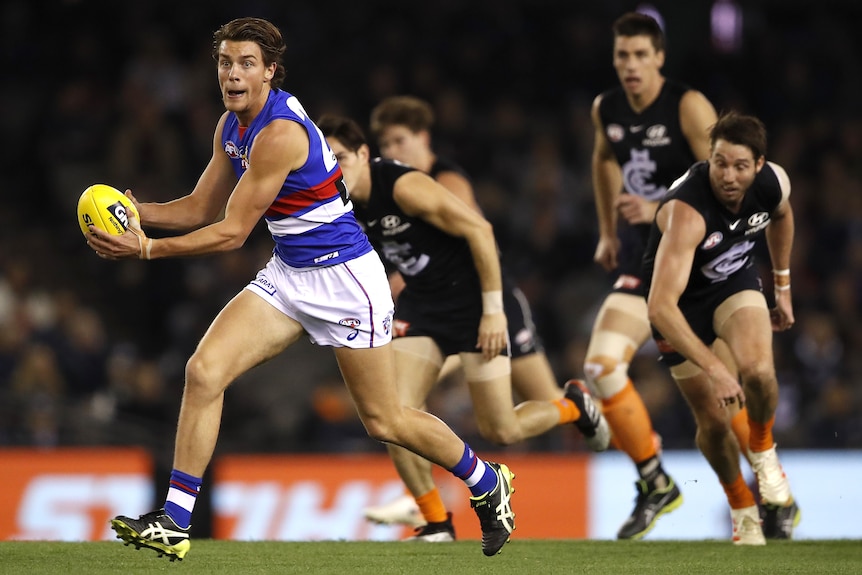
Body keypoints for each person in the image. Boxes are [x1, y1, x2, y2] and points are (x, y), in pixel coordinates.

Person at [85, 17, 517, 560]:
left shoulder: (279, 134)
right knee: (203, 371)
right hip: (291, 274)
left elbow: (231, 233)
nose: (233, 74)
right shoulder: (230, 125)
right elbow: (199, 207)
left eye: (246, 64)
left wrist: (146, 248)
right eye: (225, 62)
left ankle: (485, 481)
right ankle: (174, 522)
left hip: (347, 279)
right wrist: (132, 213)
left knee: (384, 420)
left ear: (270, 72)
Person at [317, 114, 610, 542]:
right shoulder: (344, 205)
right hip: (424, 305)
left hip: (473, 303)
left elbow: (480, 229)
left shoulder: (400, 184)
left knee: (501, 430)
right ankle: (436, 522)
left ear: (363, 154)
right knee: (391, 413)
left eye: (341, 157)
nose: (334, 169)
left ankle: (573, 407)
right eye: (328, 161)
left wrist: (493, 311)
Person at [585, 11, 755, 539]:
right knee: (600, 367)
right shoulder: (606, 108)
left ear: (659, 56)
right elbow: (602, 159)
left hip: (698, 273)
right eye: (622, 56)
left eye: (640, 55)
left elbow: (723, 179)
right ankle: (655, 481)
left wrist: (659, 204)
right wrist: (608, 230)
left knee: (721, 404)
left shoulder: (687, 105)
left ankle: (772, 490)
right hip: (642, 266)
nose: (630, 66)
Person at [643, 111, 801, 545]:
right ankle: (741, 505)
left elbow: (782, 216)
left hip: (732, 281)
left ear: (760, 165)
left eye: (739, 166)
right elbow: (660, 306)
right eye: (719, 163)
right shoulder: (687, 212)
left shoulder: (773, 184)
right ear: (709, 159)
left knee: (760, 373)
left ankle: (764, 452)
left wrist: (782, 287)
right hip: (679, 304)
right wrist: (713, 367)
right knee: (712, 419)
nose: (728, 176)